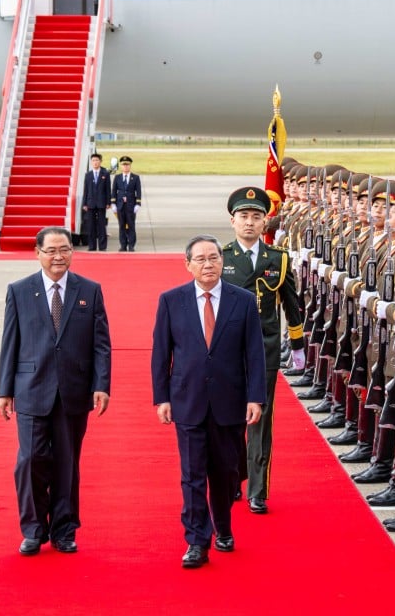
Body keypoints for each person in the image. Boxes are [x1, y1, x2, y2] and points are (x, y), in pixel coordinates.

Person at [151, 235, 266, 568]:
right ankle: (197, 540)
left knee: (226, 473)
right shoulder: (171, 300)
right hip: (187, 400)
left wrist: (256, 396)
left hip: (230, 402)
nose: (208, 264)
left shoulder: (242, 300)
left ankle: (224, 528)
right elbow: (161, 352)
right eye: (200, 259)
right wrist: (162, 397)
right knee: (192, 474)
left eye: (213, 257)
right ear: (188, 265)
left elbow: (254, 354)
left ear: (222, 261)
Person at [0, 227, 111, 556]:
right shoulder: (20, 291)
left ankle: (64, 529)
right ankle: (33, 528)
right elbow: (10, 343)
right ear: (38, 253)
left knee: (66, 463)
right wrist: (5, 390)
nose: (58, 256)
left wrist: (101, 385)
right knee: (31, 460)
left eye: (65, 250)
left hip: (74, 391)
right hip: (31, 388)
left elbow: (101, 344)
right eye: (51, 251)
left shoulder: (89, 290)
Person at [221, 187, 305, 514]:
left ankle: (258, 489)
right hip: (227, 350)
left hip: (266, 349)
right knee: (229, 419)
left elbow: (292, 306)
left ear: (265, 221)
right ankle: (232, 478)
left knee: (261, 419)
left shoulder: (279, 259)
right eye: (243, 217)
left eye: (256, 217)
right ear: (232, 221)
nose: (249, 223)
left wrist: (296, 344)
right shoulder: (221, 257)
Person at [82, 153, 111, 251]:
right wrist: (84, 203)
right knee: (91, 226)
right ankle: (92, 246)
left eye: (97, 160)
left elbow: (108, 189)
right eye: (93, 160)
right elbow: (86, 190)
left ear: (100, 161)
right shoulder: (88, 175)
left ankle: (102, 246)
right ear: (91, 162)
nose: (95, 162)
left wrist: (108, 202)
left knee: (101, 225)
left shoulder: (105, 173)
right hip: (90, 203)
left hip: (101, 203)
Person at [112, 155, 142, 251]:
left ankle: (131, 245)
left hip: (131, 206)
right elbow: (114, 191)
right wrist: (113, 203)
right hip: (120, 206)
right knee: (121, 226)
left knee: (131, 226)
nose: (125, 167)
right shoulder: (117, 177)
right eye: (124, 165)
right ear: (121, 166)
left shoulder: (135, 178)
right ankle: (123, 245)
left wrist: (137, 204)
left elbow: (138, 191)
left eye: (127, 165)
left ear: (130, 166)